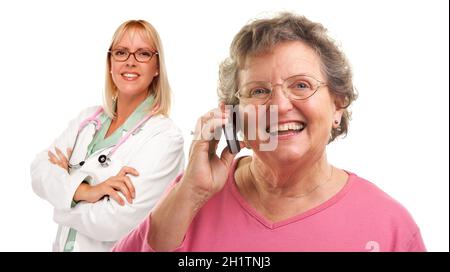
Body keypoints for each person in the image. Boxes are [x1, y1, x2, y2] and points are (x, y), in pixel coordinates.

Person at [112, 13, 426, 252]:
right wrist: (191, 194)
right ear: (233, 114)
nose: (279, 104)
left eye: (301, 85)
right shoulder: (191, 193)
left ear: (338, 105)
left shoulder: (390, 225)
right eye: (259, 90)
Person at [30, 20, 184, 252]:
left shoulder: (164, 138)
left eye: (142, 54)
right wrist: (87, 192)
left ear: (157, 67)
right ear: (110, 63)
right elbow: (39, 170)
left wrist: (62, 196)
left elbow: (115, 221)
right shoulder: (88, 120)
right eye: (121, 53)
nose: (130, 61)